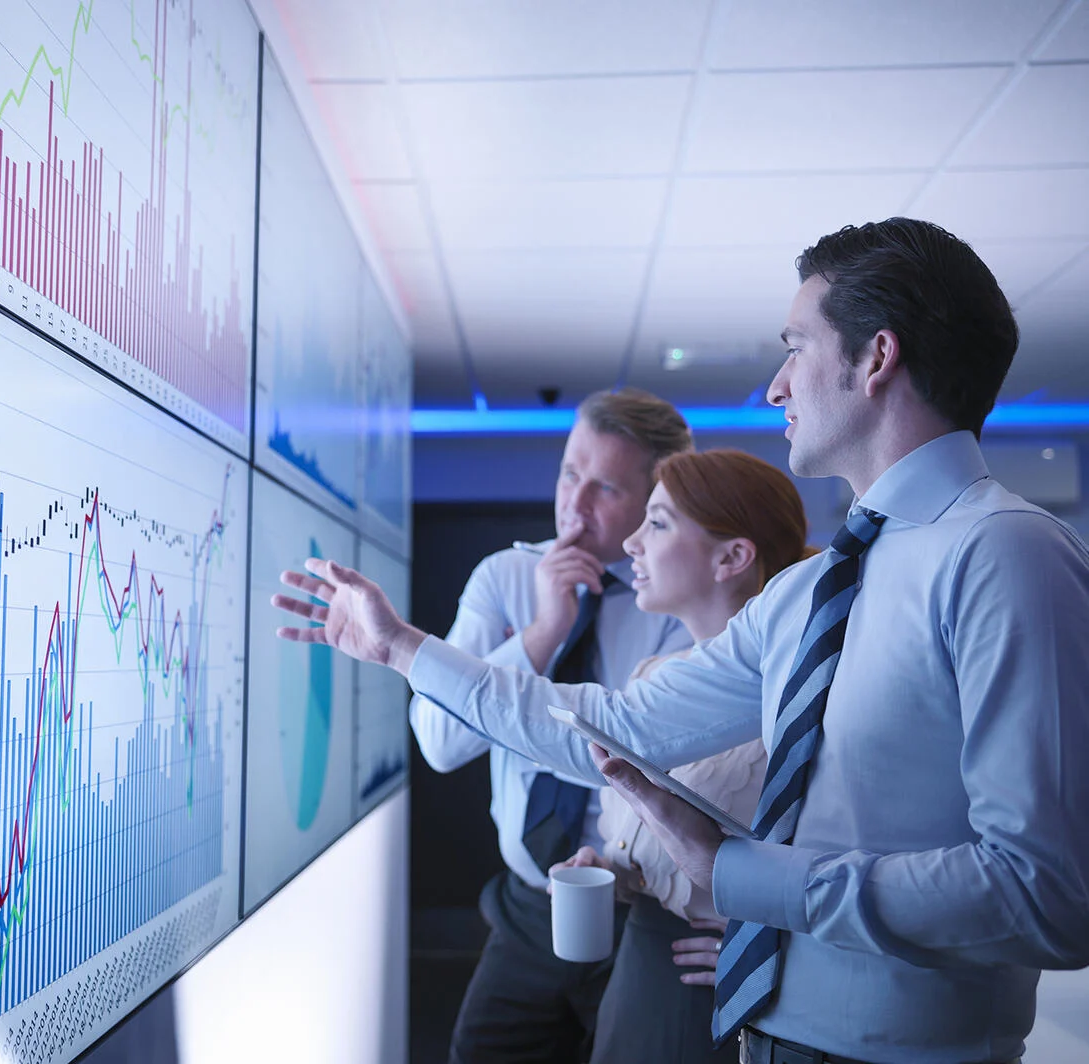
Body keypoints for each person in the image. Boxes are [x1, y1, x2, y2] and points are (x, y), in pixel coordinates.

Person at [274, 217, 1089, 1064]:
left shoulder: (1005, 555)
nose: (775, 387)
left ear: (875, 358)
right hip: (764, 1037)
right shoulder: (810, 592)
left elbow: (1049, 895)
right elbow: (609, 725)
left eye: (795, 348)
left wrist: (750, 880)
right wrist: (400, 647)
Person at [409, 387, 695, 1063]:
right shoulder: (504, 577)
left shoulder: (681, 598)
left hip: (645, 913)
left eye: (604, 488)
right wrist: (542, 631)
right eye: (570, 473)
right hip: (529, 908)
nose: (575, 503)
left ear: (655, 500)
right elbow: (441, 744)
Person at [558, 449, 812, 1064]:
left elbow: (839, 866)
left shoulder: (797, 702)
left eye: (659, 524)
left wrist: (782, 948)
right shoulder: (654, 676)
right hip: (639, 973)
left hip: (721, 988)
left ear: (733, 557)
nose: (632, 543)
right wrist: (608, 869)